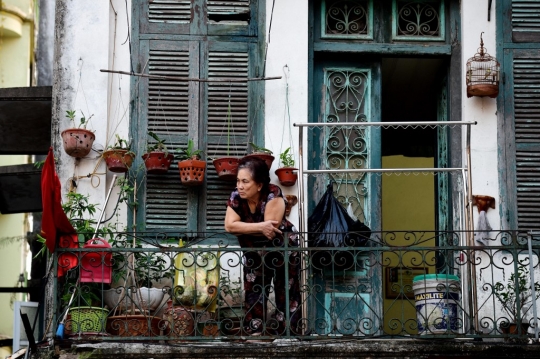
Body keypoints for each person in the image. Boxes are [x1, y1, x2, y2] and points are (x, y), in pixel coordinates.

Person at [225, 156, 301, 336]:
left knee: (286, 292)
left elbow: (271, 227)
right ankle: (255, 333)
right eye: (238, 181)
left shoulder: (273, 193)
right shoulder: (236, 196)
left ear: (259, 185)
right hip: (253, 251)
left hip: (282, 250)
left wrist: (243, 227)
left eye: (245, 181)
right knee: (254, 292)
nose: (240, 186)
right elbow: (229, 225)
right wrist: (259, 227)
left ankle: (287, 334)